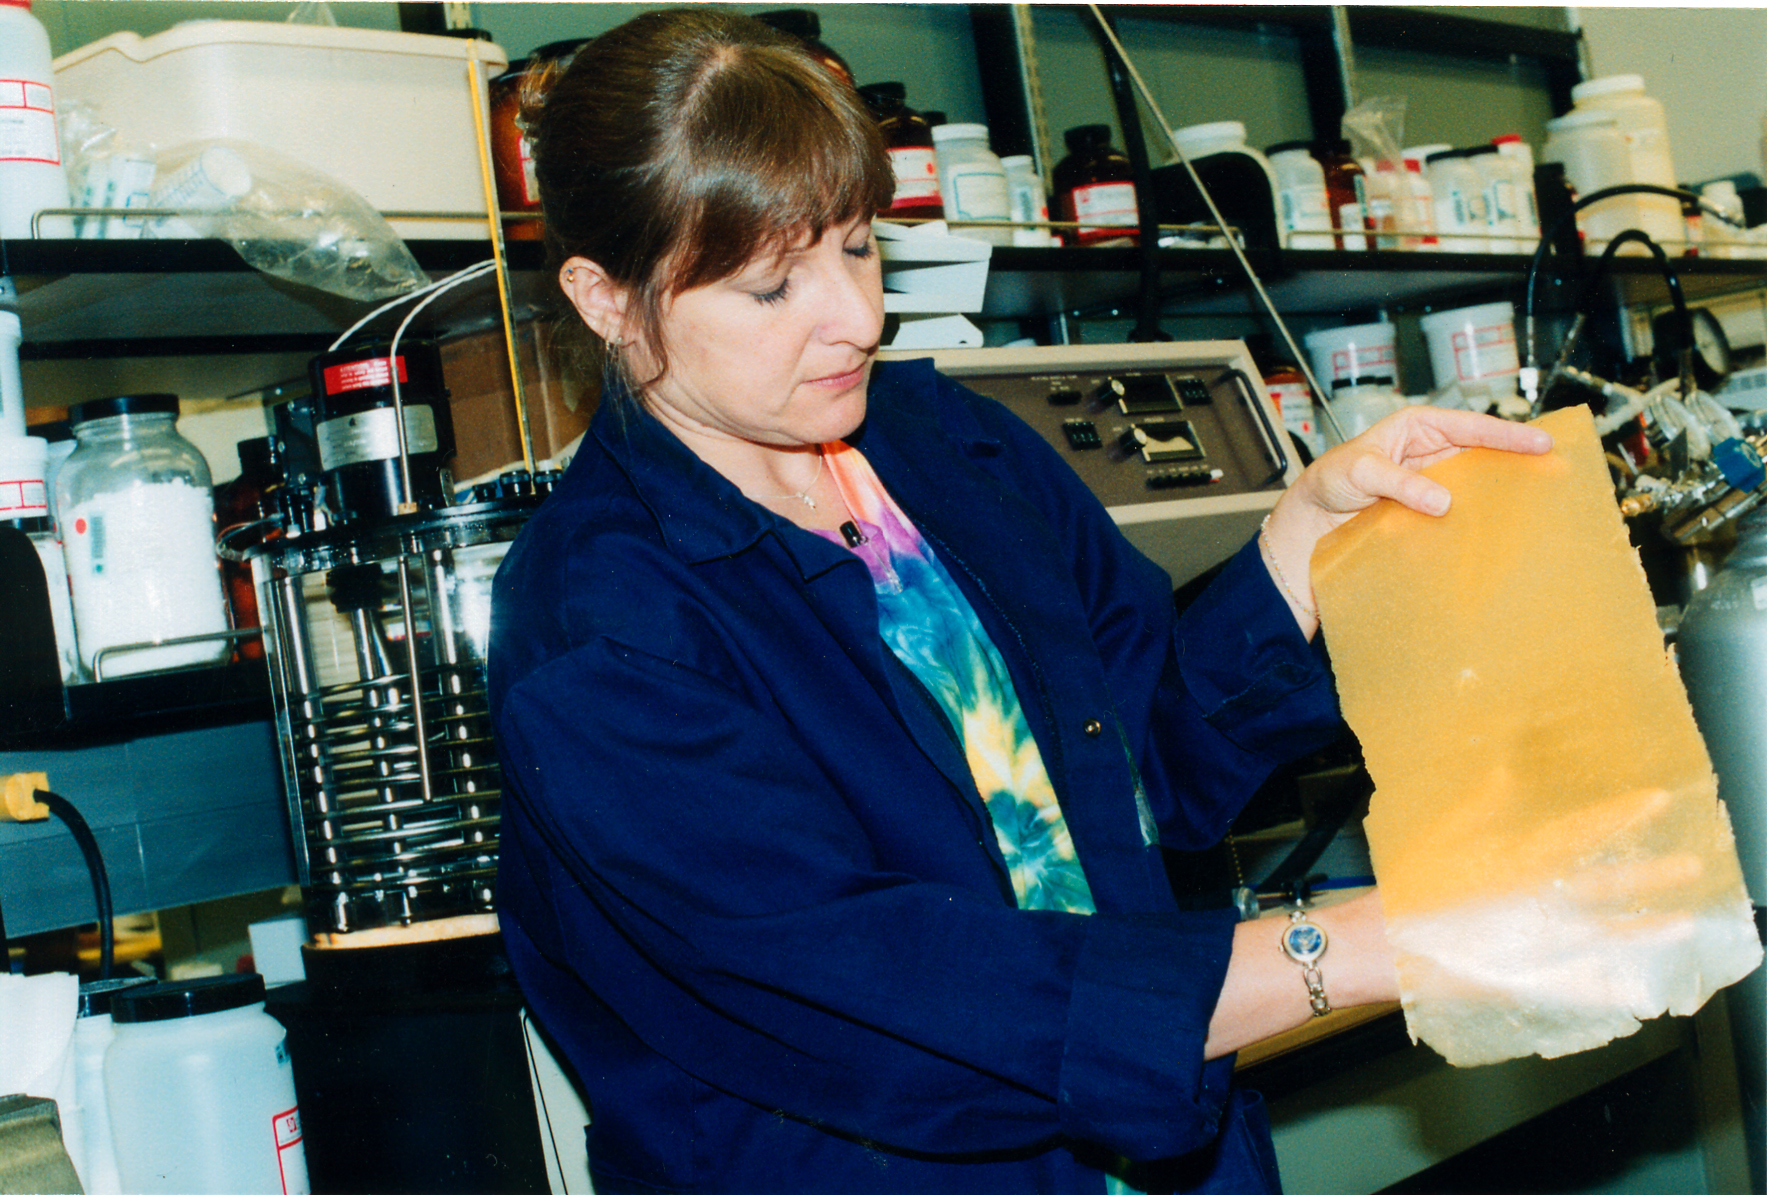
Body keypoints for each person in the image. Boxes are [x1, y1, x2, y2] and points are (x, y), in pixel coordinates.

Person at [487, 10, 1554, 1194]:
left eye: (858, 248)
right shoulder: (600, 625)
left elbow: (1141, 768)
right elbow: (885, 990)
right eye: (772, 288)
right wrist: (1343, 948)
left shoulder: (949, 449)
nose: (858, 318)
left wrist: (1304, 542)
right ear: (604, 297)